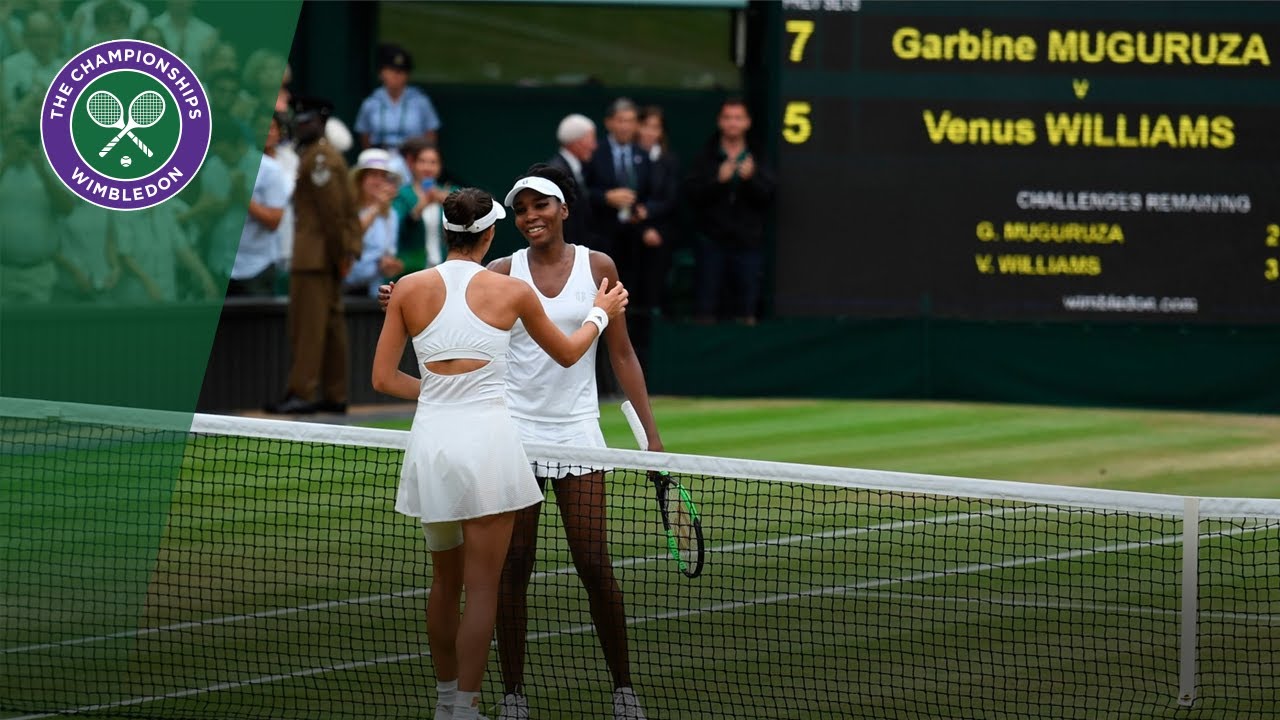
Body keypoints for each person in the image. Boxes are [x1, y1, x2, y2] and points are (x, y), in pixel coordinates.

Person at [380, 165, 663, 720]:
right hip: (510, 435)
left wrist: (650, 436)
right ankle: (510, 695)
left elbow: (622, 355)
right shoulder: (504, 272)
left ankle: (623, 689)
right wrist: (404, 298)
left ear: (564, 210)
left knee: (593, 565)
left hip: (578, 434)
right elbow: (461, 304)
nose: (532, 216)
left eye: (542, 206)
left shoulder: (598, 266)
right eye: (523, 208)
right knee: (511, 571)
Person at [266, 96, 362, 415]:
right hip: (325, 257)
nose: (300, 125)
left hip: (316, 259)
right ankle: (335, 394)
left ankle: (301, 393)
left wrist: (340, 255)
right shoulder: (321, 155)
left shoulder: (320, 158)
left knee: (308, 328)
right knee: (332, 328)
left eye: (306, 120)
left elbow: (332, 215)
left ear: (320, 123)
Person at [687, 97, 776, 325]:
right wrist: (718, 180)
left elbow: (769, 195)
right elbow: (692, 195)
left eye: (738, 118)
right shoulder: (706, 155)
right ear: (720, 122)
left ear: (747, 122)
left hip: (747, 244)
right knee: (706, 306)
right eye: (728, 118)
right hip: (712, 243)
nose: (732, 123)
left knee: (746, 306)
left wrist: (751, 179)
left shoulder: (759, 155)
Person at [355, 43, 442, 151]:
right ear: (381, 73)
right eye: (391, 70)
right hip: (381, 156)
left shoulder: (421, 102)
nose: (396, 75)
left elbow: (430, 135)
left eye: (401, 71)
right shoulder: (371, 103)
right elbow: (365, 136)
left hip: (411, 157)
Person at [344, 148, 403, 298]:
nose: (378, 181)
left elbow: (388, 252)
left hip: (375, 293)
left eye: (383, 176)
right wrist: (376, 207)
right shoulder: (346, 209)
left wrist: (389, 264)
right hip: (345, 290)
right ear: (360, 179)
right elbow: (351, 237)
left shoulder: (391, 215)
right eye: (373, 175)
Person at [392, 138, 453, 276]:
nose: (428, 167)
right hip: (412, 269)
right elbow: (398, 229)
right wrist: (421, 206)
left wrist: (449, 201)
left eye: (433, 162)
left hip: (445, 267)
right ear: (412, 164)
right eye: (422, 161)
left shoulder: (450, 191)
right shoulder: (401, 194)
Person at [546, 113, 599, 251]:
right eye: (591, 139)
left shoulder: (573, 168)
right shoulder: (558, 171)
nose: (594, 146)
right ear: (577, 141)